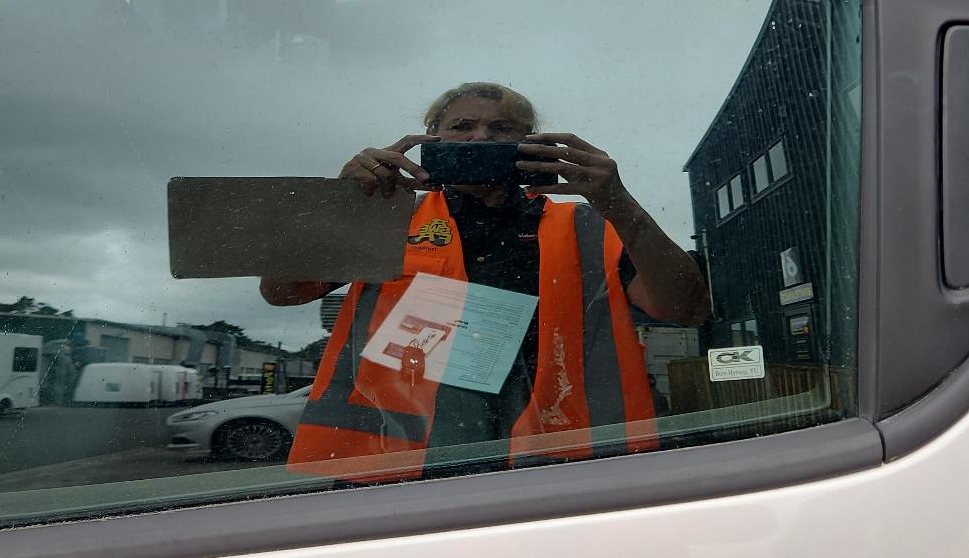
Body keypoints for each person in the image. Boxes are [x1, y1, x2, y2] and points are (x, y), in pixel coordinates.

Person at [261, 82, 710, 483]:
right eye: (462, 126)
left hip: (561, 464)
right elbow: (281, 291)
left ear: (531, 143)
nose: (480, 137)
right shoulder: (387, 220)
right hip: (398, 467)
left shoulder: (589, 223)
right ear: (431, 137)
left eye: (501, 128)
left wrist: (620, 203)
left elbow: (686, 310)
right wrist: (342, 203)